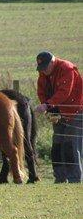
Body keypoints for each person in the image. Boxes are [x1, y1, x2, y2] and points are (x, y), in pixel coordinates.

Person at [35, 52, 83, 183]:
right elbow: (41, 90)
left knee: (71, 145)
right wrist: (47, 106)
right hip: (56, 112)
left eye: (45, 67)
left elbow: (64, 92)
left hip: (74, 111)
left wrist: (47, 105)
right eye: (41, 69)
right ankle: (60, 178)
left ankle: (74, 179)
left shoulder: (66, 68)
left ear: (52, 62)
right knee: (57, 145)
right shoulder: (44, 72)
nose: (43, 71)